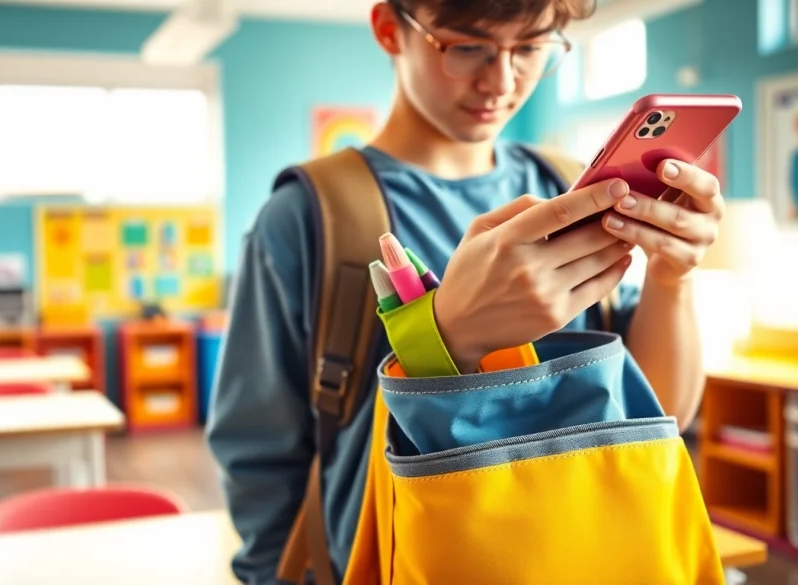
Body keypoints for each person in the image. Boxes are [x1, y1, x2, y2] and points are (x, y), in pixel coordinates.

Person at [206, 0, 726, 583]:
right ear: (390, 30)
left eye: (530, 48)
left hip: (590, 558)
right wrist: (444, 337)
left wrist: (672, 276)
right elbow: (257, 456)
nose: (501, 81)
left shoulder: (566, 187)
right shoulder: (307, 217)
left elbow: (658, 414)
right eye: (467, 46)